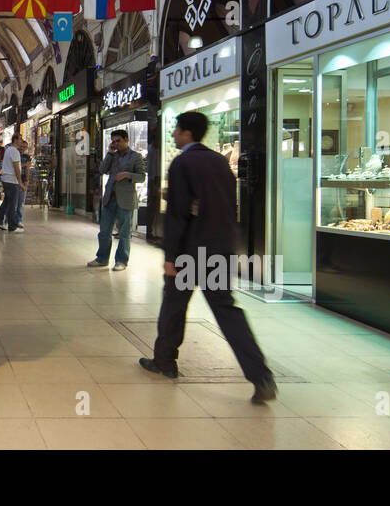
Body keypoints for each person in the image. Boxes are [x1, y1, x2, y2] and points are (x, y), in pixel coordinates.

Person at [142, 111, 277, 404]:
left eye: (176, 130)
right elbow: (230, 207)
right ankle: (261, 376)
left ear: (187, 133)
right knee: (228, 312)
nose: (174, 135)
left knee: (174, 306)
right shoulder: (220, 162)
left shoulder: (182, 163)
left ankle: (165, 362)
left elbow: (178, 213)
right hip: (219, 249)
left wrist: (171, 255)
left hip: (190, 252)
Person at [88, 129, 146, 271]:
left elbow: (142, 176)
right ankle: (102, 258)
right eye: (113, 141)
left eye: (118, 141)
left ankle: (121, 260)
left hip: (125, 199)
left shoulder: (135, 157)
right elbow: (102, 169)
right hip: (110, 197)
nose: (115, 144)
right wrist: (109, 153)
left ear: (126, 140)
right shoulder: (112, 156)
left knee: (124, 232)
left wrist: (127, 174)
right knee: (104, 231)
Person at [0, 135, 27, 232]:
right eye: (20, 139)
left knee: (7, 202)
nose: (22, 141)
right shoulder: (14, 151)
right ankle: (12, 226)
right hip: (12, 180)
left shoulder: (9, 150)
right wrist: (20, 183)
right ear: (16, 140)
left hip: (7, 179)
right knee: (13, 204)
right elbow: (16, 168)